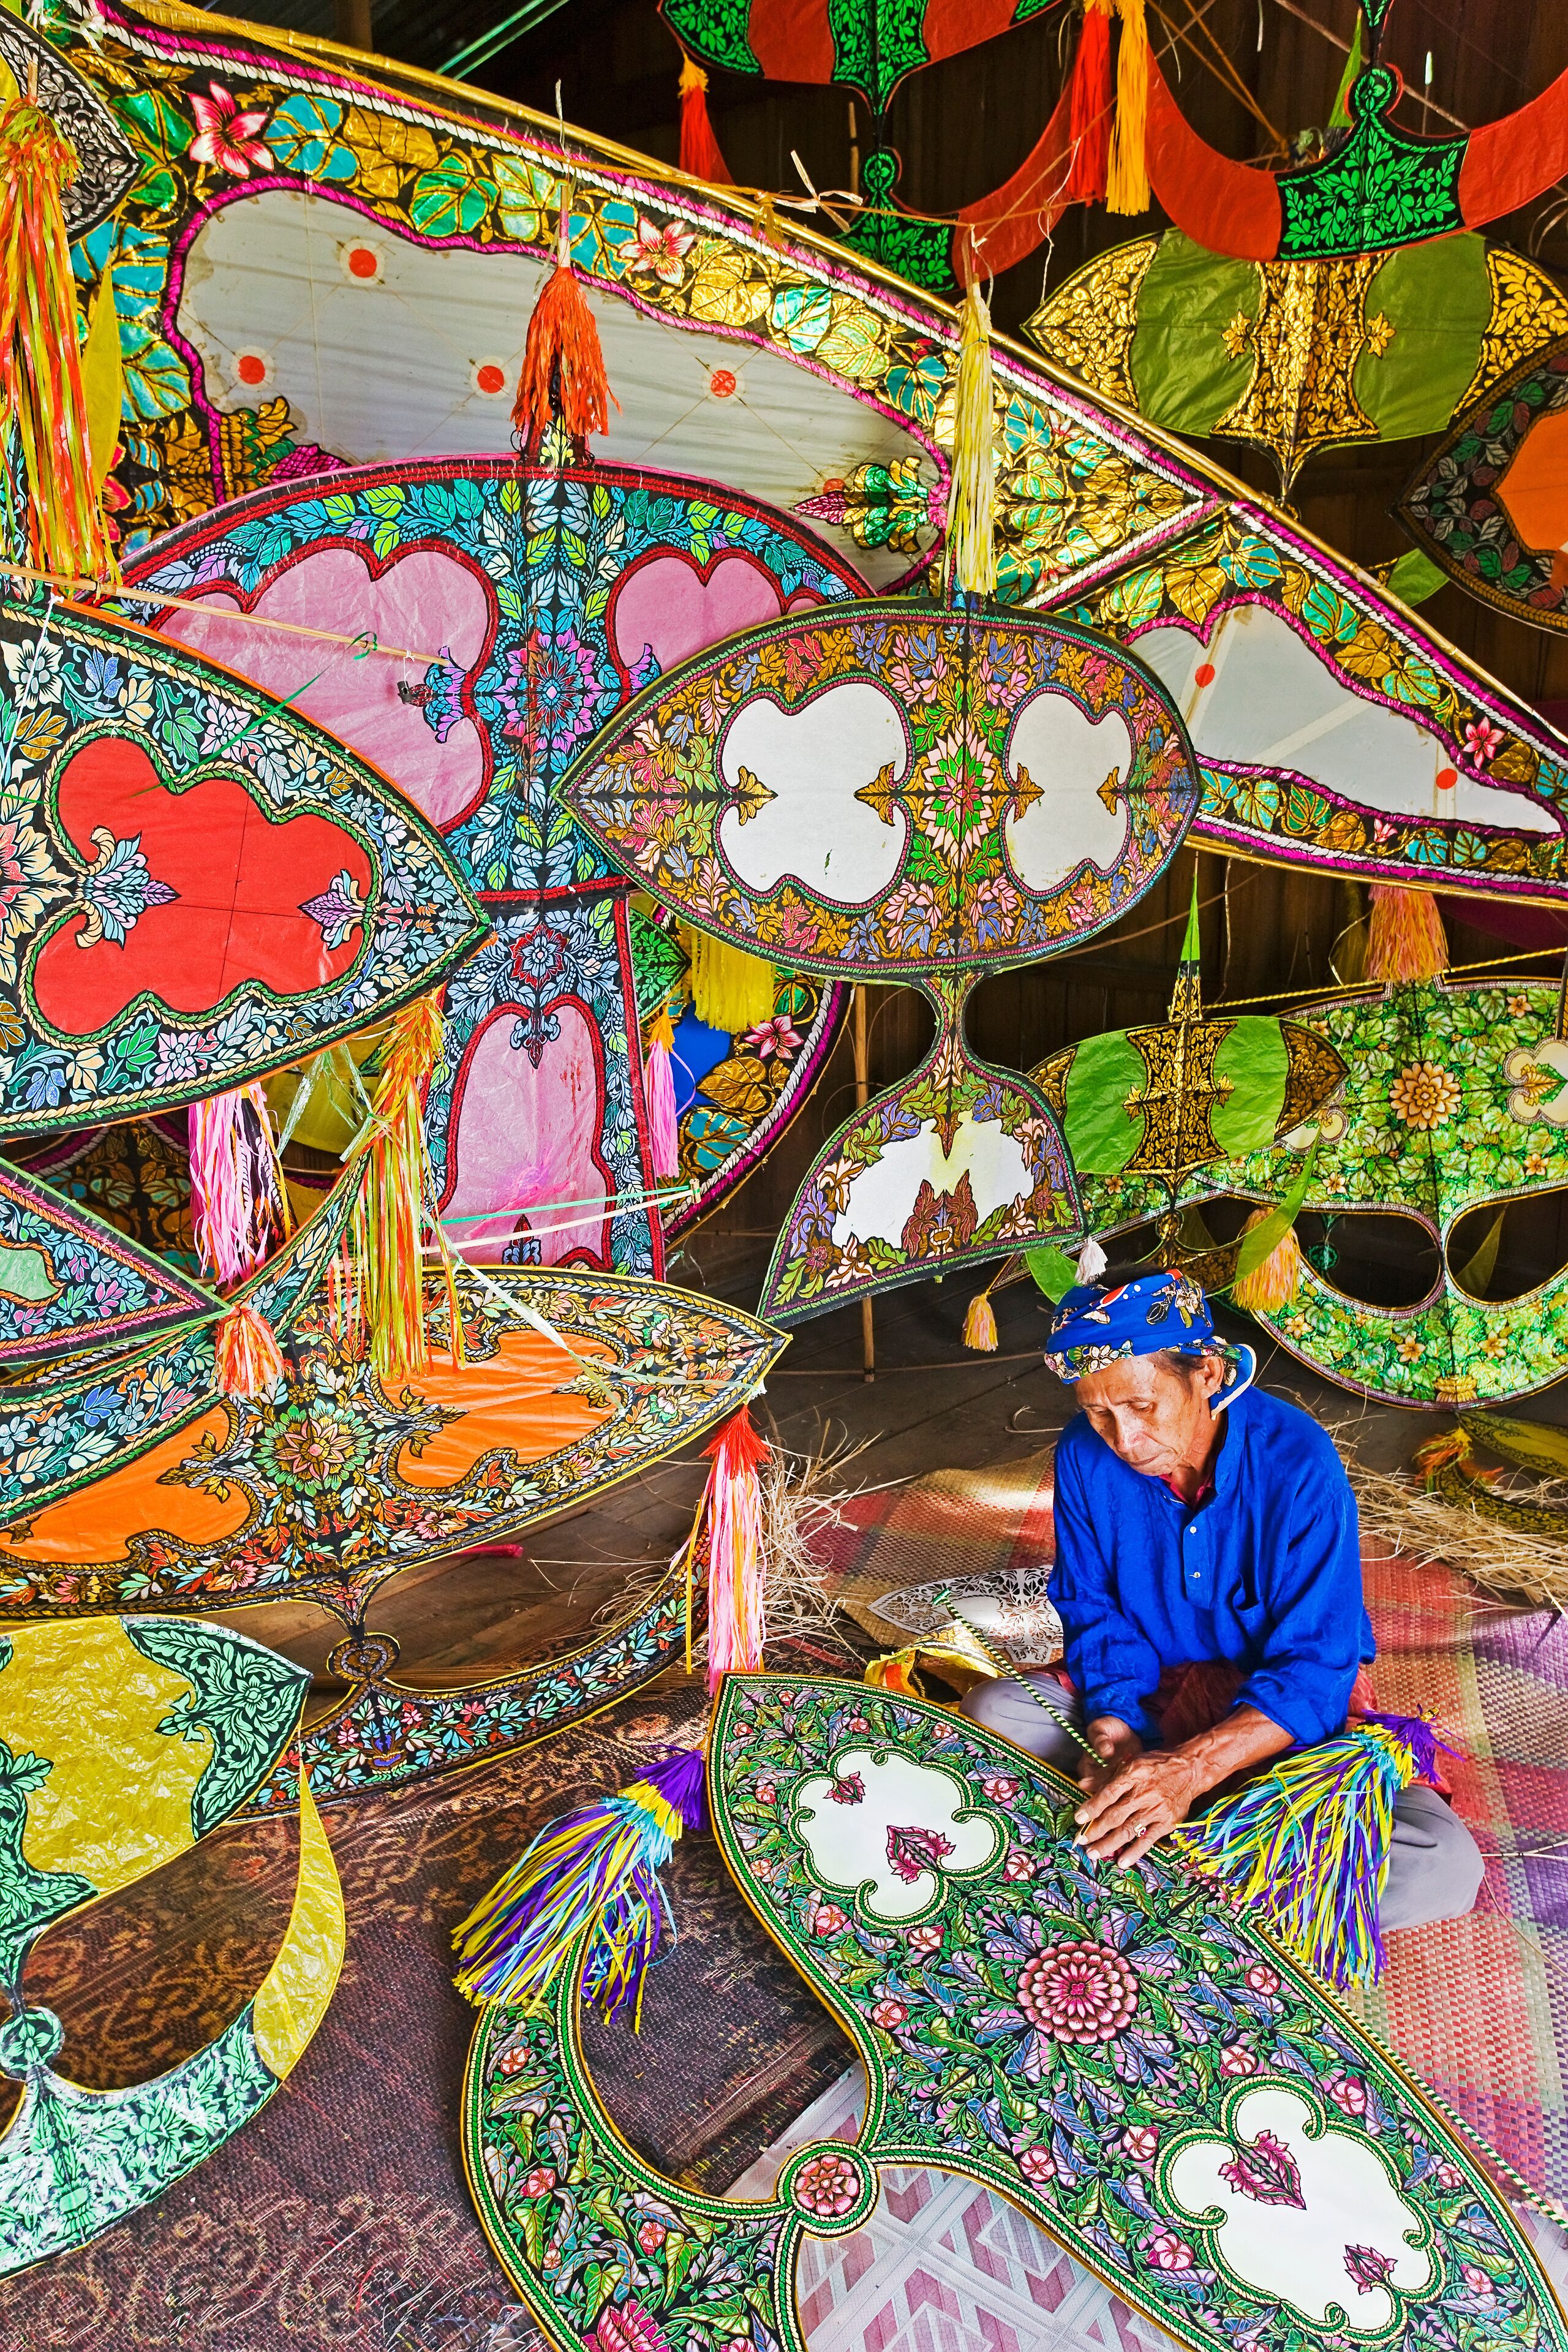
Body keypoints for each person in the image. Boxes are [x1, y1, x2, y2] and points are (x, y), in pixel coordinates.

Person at [962, 1268, 1483, 1934]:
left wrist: (1191, 1770)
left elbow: (1316, 1665)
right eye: (1097, 1412)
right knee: (990, 1712)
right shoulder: (1082, 1455)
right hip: (1151, 1701)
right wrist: (1112, 1729)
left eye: (1142, 1406)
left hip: (1272, 1732)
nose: (1123, 1440)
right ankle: (1201, 1852)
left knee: (1441, 1866)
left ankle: (1178, 1837)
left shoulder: (1296, 1459)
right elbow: (1090, 1606)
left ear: (1206, 1373)